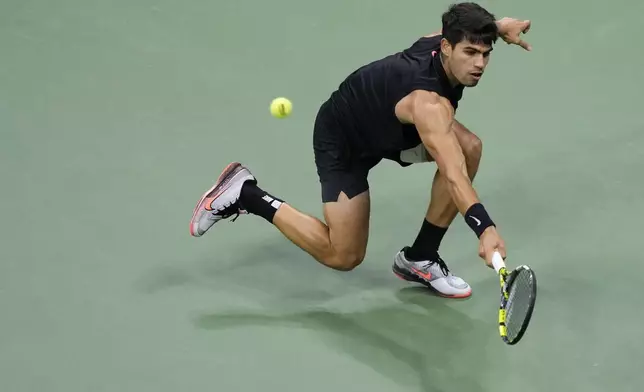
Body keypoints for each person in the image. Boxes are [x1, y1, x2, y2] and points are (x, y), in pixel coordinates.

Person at [188, 2, 532, 298]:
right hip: (344, 139)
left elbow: (468, 32)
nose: (479, 64)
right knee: (344, 255)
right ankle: (246, 193)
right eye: (470, 53)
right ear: (445, 47)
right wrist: (484, 229)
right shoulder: (430, 105)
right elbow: (454, 177)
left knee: (469, 147)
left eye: (486, 54)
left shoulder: (441, 42)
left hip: (392, 129)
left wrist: (500, 28)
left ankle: (420, 257)